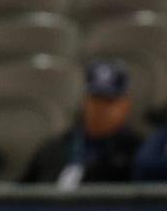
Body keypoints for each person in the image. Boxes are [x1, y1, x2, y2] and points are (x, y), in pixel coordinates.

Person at [22, 60, 142, 189]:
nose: (101, 108)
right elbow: (19, 195)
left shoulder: (135, 150)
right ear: (85, 101)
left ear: (125, 105)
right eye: (96, 99)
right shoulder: (56, 147)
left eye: (109, 101)